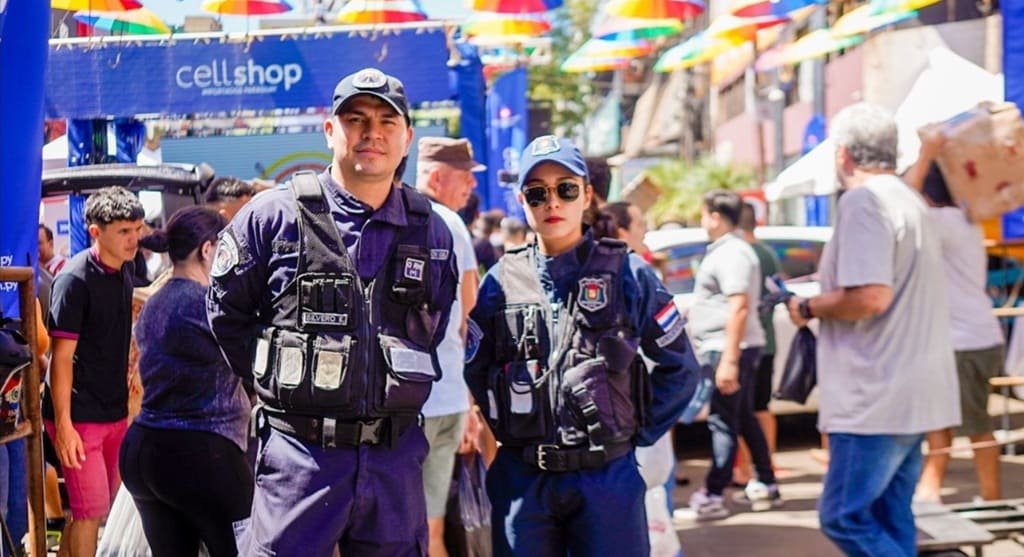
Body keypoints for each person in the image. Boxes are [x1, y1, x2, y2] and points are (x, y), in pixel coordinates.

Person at [207, 67, 458, 557]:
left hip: (393, 462)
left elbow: (433, 324)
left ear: (407, 138)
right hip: (300, 459)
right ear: (329, 131)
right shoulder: (273, 217)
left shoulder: (431, 231)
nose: (371, 133)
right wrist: (282, 380)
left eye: (387, 122)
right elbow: (226, 315)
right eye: (355, 119)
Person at [465, 134, 699, 557]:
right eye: (537, 193)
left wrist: (634, 433)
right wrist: (513, 429)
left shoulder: (627, 273)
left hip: (606, 478)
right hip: (523, 480)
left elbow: (680, 367)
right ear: (522, 201)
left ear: (587, 195)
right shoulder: (500, 280)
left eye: (566, 189)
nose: (552, 202)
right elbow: (477, 369)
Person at [786, 103, 960, 557]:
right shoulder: (908, 199)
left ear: (843, 154)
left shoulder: (865, 201)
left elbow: (870, 297)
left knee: (843, 517)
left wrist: (807, 305)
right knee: (890, 514)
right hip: (910, 390)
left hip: (875, 395)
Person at [119, 206, 252, 557]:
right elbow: (254, 363)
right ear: (207, 250)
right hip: (203, 455)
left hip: (143, 451)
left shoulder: (154, 303)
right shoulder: (211, 305)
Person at [44, 186, 144, 557]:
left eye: (137, 229)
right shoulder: (74, 280)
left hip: (114, 410)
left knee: (96, 511)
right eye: (124, 231)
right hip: (79, 415)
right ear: (95, 232)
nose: (134, 239)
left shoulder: (125, 268)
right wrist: (64, 425)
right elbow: (60, 359)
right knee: (90, 513)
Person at [906, 132, 1004, 503]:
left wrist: (925, 155)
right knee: (942, 421)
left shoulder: (943, 221)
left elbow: (904, 201)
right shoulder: (964, 220)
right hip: (970, 336)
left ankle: (991, 497)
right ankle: (930, 490)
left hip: (965, 340)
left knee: (974, 424)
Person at [687, 189, 779, 520]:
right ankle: (766, 481)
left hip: (727, 348)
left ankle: (714, 492)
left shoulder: (731, 253)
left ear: (715, 217)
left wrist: (729, 359)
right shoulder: (731, 250)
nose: (701, 221)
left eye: (703, 214)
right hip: (729, 347)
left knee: (723, 421)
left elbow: (739, 306)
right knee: (742, 418)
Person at [415, 136, 485, 557]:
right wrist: (471, 404)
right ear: (437, 177)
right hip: (446, 401)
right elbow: (470, 323)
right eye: (466, 177)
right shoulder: (451, 224)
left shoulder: (393, 218)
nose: (472, 186)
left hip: (405, 404)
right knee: (431, 530)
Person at [734, 202, 782, 485]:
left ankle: (746, 469)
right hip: (767, 341)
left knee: (742, 410)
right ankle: (767, 464)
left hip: (744, 343)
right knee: (761, 407)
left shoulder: (740, 254)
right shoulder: (768, 254)